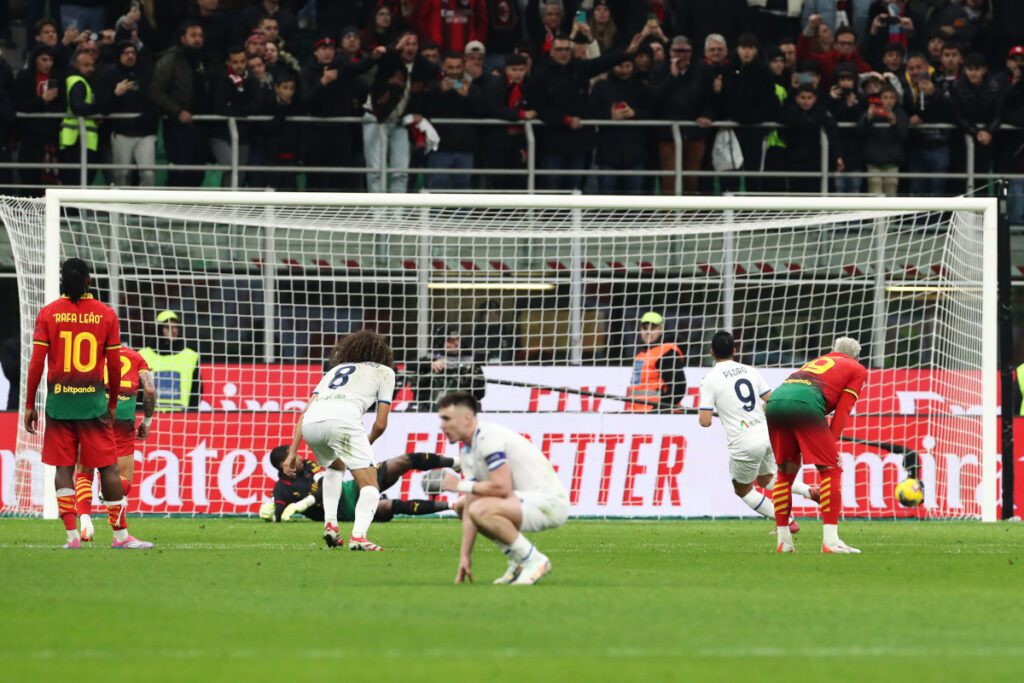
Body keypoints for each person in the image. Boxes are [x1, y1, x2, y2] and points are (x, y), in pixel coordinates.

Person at [23, 258, 153, 549]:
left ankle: (72, 538)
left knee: (64, 468)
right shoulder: (106, 315)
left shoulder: (48, 313)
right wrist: (110, 402)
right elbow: (115, 365)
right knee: (108, 467)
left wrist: (29, 403)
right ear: (88, 281)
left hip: (59, 405)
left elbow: (36, 364)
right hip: (93, 405)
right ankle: (120, 537)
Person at [438, 391, 569, 585]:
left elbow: (502, 488)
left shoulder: (488, 438)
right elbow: (471, 502)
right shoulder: (468, 450)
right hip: (523, 501)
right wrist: (465, 556)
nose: (442, 425)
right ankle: (519, 560)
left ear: (466, 418)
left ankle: (534, 560)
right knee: (463, 505)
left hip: (549, 503)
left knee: (480, 509)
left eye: (446, 418)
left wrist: (459, 485)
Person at [282, 330, 395, 551]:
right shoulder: (385, 372)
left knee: (335, 468)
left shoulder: (335, 371)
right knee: (371, 485)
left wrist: (292, 452)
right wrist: (365, 442)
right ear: (381, 353)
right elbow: (380, 424)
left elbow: (306, 410)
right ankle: (359, 537)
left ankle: (331, 524)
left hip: (311, 424)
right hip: (342, 423)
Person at [698, 332, 819, 530]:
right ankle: (809, 491)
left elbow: (705, 421)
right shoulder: (750, 371)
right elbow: (771, 400)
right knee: (766, 478)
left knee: (743, 489)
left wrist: (719, 410)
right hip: (766, 433)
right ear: (734, 351)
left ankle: (787, 521)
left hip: (744, 441)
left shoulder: (709, 379)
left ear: (711, 352)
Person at [765, 336, 868, 554]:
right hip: (804, 403)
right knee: (832, 469)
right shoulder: (856, 368)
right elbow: (843, 410)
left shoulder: (818, 361)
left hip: (774, 402)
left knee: (785, 473)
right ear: (857, 357)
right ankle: (830, 542)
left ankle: (784, 543)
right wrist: (832, 443)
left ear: (834, 351)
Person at [74, 345, 156, 542]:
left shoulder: (89, 354)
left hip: (91, 414)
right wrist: (146, 421)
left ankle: (85, 523)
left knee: (84, 470)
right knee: (121, 479)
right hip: (121, 419)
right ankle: (118, 531)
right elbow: (150, 391)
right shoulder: (136, 358)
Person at [262, 446, 455, 523]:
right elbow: (278, 514)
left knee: (401, 461)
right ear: (283, 464)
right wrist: (271, 512)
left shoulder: (307, 467)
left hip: (351, 487)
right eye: (292, 454)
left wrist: (303, 503)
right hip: (348, 512)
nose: (300, 456)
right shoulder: (282, 490)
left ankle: (455, 463)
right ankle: (454, 505)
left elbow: (325, 484)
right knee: (388, 506)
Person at [148, 20, 211, 188]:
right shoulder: (170, 58)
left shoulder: (204, 59)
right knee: (178, 173)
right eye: (193, 35)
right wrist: (177, 112)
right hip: (177, 126)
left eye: (200, 35)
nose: (197, 39)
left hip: (200, 125)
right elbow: (155, 91)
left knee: (197, 174)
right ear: (183, 38)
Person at [424, 51, 485, 190]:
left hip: (465, 148)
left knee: (462, 190)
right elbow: (427, 112)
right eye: (450, 67)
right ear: (443, 67)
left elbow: (480, 112)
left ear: (463, 67)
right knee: (437, 187)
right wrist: (440, 93)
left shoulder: (473, 89)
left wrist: (466, 96)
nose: (454, 71)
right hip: (440, 147)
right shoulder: (434, 87)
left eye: (457, 67)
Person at [106, 41, 157, 187]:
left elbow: (155, 99)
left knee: (148, 174)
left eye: (133, 53)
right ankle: (120, 209)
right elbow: (104, 107)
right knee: (121, 175)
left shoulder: (146, 73)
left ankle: (145, 209)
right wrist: (116, 94)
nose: (130, 56)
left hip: (145, 133)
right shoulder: (110, 74)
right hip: (121, 132)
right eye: (126, 53)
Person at [410, 326, 486, 412]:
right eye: (451, 341)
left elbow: (481, 393)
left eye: (457, 339)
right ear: (442, 342)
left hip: (461, 409)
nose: (456, 343)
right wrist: (429, 364)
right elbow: (409, 365)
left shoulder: (470, 362)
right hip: (431, 409)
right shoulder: (432, 359)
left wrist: (470, 378)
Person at [139, 310, 201, 411]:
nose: (173, 331)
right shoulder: (143, 355)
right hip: (150, 416)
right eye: (167, 327)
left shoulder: (191, 356)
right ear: (159, 329)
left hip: (181, 417)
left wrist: (191, 414)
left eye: (176, 327)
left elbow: (197, 391)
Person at [625, 311, 686, 413]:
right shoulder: (641, 356)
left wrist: (658, 410)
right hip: (639, 414)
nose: (648, 332)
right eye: (644, 328)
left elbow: (678, 388)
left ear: (661, 330)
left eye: (653, 328)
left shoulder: (666, 352)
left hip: (658, 416)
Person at [58, 49, 100, 186]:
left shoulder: (81, 81)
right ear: (76, 66)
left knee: (76, 183)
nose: (91, 68)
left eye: (92, 65)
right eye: (86, 65)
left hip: (78, 139)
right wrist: (99, 108)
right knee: (76, 183)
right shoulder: (78, 81)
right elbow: (78, 107)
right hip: (77, 140)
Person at [859, 84, 908, 196]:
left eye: (892, 97)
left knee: (891, 197)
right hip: (873, 162)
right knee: (875, 198)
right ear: (880, 99)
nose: (889, 101)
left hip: (892, 162)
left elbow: (904, 136)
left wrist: (895, 124)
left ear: (896, 99)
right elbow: (859, 131)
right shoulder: (872, 112)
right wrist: (868, 118)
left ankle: (891, 215)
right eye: (885, 97)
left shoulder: (900, 113)